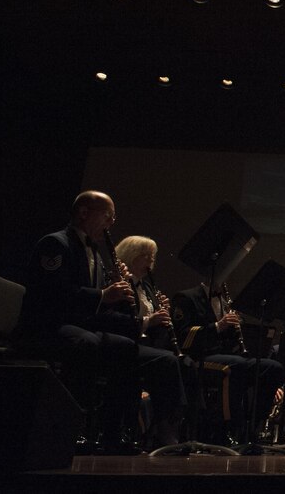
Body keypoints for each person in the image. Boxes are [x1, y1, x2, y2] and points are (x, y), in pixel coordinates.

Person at [17, 191, 185, 452]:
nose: (111, 223)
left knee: (127, 347)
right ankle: (70, 430)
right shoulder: (56, 244)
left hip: (81, 326)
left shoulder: (94, 252)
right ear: (84, 213)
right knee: (88, 343)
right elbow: (51, 294)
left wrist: (129, 312)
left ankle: (113, 435)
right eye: (108, 215)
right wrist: (103, 295)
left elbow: (98, 309)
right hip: (48, 325)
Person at [171, 281, 285, 444]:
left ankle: (253, 426)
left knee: (272, 368)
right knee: (234, 366)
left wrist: (239, 326)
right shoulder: (187, 297)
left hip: (228, 356)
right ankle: (225, 429)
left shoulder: (225, 301)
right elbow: (183, 337)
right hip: (198, 358)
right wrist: (218, 326)